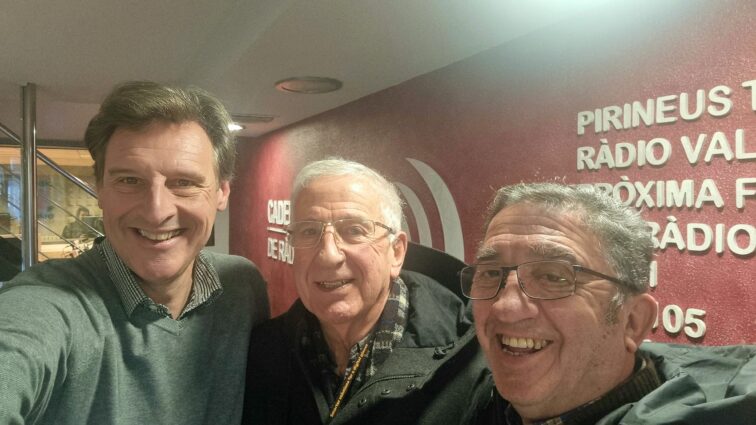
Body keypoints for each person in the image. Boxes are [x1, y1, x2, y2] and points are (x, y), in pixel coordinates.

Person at [0, 81, 269, 425]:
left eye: (184, 182)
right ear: (100, 189)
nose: (157, 212)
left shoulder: (242, 286)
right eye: (129, 180)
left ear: (222, 192)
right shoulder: (50, 303)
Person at [466, 182, 755, 425]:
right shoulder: (470, 397)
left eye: (553, 277)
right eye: (491, 273)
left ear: (632, 322)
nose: (505, 308)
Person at [243, 158, 490, 424]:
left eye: (354, 230)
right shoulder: (263, 351)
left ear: (396, 252)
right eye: (309, 231)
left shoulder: (470, 364)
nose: (328, 255)